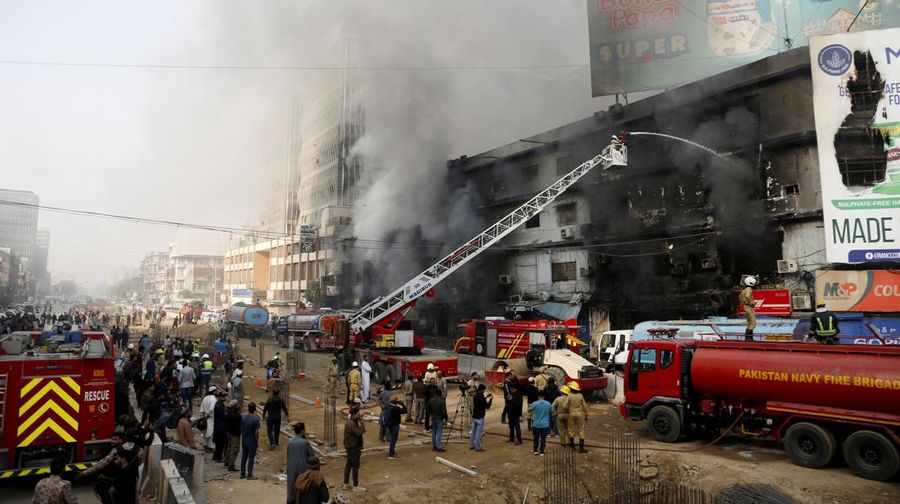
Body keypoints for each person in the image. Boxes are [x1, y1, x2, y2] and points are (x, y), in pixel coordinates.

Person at [286, 422, 313, 504]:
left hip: (291, 469)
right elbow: (312, 455)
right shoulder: (305, 442)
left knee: (291, 489)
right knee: (302, 489)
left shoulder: (290, 442)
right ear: (302, 431)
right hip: (302, 469)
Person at [342, 401, 366, 492]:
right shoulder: (351, 424)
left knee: (349, 465)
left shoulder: (352, 421)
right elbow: (359, 433)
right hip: (353, 447)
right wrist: (362, 423)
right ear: (355, 415)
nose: (359, 415)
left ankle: (346, 484)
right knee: (355, 466)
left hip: (351, 446)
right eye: (358, 414)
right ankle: (355, 486)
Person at [240, 402, 261, 480]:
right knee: (251, 458)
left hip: (244, 440)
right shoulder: (255, 420)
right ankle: (249, 474)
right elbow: (256, 432)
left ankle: (242, 473)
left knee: (244, 457)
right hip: (252, 441)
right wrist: (256, 440)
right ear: (255, 409)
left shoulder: (244, 418)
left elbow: (241, 428)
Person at [469, 384, 492, 452]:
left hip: (474, 416)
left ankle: (471, 445)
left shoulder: (475, 396)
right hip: (480, 417)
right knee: (478, 433)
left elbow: (481, 400)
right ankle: (478, 447)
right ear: (482, 390)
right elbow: (487, 406)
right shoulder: (482, 398)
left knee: (473, 432)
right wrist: (491, 399)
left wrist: (486, 397)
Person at [566, 381, 588, 453]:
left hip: (571, 413)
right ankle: (581, 449)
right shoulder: (580, 395)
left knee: (571, 429)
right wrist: (586, 414)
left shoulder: (569, 396)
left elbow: (565, 405)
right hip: (580, 414)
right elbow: (585, 406)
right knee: (581, 430)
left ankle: (572, 446)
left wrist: (568, 410)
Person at [529, 391, 552, 456]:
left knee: (536, 438)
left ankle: (535, 450)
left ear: (538, 396)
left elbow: (529, 410)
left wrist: (533, 413)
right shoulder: (548, 403)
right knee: (543, 439)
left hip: (536, 424)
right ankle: (541, 451)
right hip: (545, 424)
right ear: (544, 396)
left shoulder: (534, 403)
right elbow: (551, 411)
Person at [385, 395, 407, 459]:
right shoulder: (395, 408)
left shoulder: (388, 406)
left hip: (390, 424)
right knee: (393, 439)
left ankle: (391, 451)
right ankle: (391, 454)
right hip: (395, 425)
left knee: (392, 438)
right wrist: (402, 404)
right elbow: (405, 411)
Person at [426, 388, 448, 452]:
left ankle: (434, 446)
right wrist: (445, 418)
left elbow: (428, 410)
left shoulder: (431, 400)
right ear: (441, 394)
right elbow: (444, 411)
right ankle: (439, 447)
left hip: (433, 418)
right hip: (439, 418)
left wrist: (429, 418)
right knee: (439, 433)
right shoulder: (441, 401)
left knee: (434, 432)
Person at [224, 399, 242, 472]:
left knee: (229, 447)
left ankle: (227, 460)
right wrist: (239, 411)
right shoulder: (236, 415)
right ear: (234, 406)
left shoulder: (228, 413)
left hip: (229, 432)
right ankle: (231, 465)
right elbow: (239, 418)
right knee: (234, 450)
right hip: (235, 434)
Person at [200, 386, 218, 451]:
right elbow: (211, 409)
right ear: (214, 391)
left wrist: (204, 417)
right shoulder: (214, 399)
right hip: (211, 418)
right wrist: (207, 415)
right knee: (211, 433)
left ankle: (205, 445)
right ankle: (210, 447)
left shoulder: (205, 398)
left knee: (205, 432)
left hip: (205, 418)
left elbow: (202, 409)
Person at [212, 390, 228, 462]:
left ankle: (216, 456)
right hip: (220, 427)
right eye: (223, 397)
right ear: (219, 397)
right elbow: (223, 415)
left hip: (219, 426)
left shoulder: (220, 404)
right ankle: (218, 458)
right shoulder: (218, 405)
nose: (224, 398)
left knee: (219, 444)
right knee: (220, 444)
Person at [740, 276, 757, 340]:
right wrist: (751, 302)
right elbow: (747, 296)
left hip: (746, 306)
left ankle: (749, 338)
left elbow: (740, 296)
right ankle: (748, 338)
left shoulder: (744, 289)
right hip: (749, 307)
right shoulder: (749, 289)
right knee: (753, 323)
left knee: (749, 323)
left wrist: (744, 302)